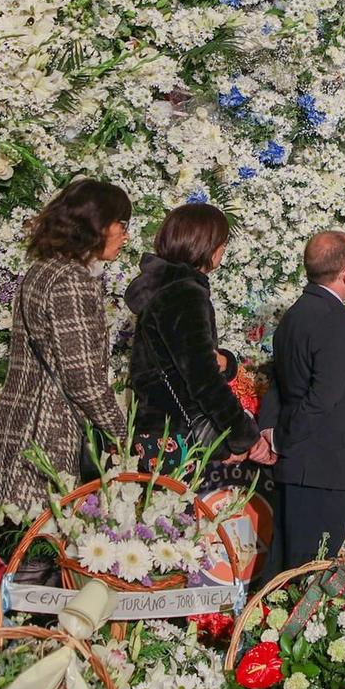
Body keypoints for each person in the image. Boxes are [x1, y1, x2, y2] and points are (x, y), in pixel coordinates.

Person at [0, 180, 131, 528]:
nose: (126, 236)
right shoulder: (73, 280)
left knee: (12, 537)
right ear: (98, 226)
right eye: (122, 225)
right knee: (39, 544)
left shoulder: (42, 270)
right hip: (48, 431)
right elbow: (82, 379)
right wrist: (121, 433)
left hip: (19, 419)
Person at [123, 203, 263, 481]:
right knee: (179, 520)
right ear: (206, 246)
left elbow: (178, 356)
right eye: (221, 244)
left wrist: (225, 361)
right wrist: (241, 434)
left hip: (155, 431)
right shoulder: (185, 293)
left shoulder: (163, 289)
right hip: (178, 435)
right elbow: (202, 377)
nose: (222, 251)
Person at [261, 231, 345, 567]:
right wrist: (281, 438)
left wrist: (270, 429)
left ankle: (263, 620)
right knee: (308, 571)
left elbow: (278, 382)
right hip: (326, 464)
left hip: (302, 465)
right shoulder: (333, 319)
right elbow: (324, 397)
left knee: (283, 568)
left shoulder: (295, 314)